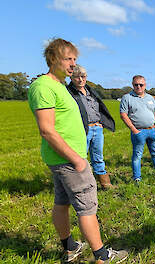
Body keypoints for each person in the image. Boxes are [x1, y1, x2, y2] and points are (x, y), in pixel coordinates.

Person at [27, 38, 127, 263]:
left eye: (75, 59)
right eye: (68, 59)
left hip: (64, 160)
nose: (73, 64)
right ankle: (101, 255)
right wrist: (77, 160)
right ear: (53, 59)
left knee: (61, 203)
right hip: (69, 160)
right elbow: (47, 130)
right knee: (87, 207)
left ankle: (70, 247)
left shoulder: (58, 85)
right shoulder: (43, 87)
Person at [66, 65, 115, 189]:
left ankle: (105, 183)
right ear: (71, 78)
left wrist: (102, 123)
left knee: (98, 157)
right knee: (81, 157)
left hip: (97, 128)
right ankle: (81, 184)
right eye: (77, 77)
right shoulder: (68, 93)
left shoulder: (91, 91)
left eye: (83, 77)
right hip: (82, 129)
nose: (81, 80)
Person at [120, 75, 155, 184]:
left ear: (145, 85)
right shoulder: (127, 97)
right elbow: (123, 115)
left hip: (152, 130)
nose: (139, 87)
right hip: (139, 132)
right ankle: (137, 177)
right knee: (137, 155)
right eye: (136, 85)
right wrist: (134, 130)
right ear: (132, 85)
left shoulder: (150, 98)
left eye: (141, 84)